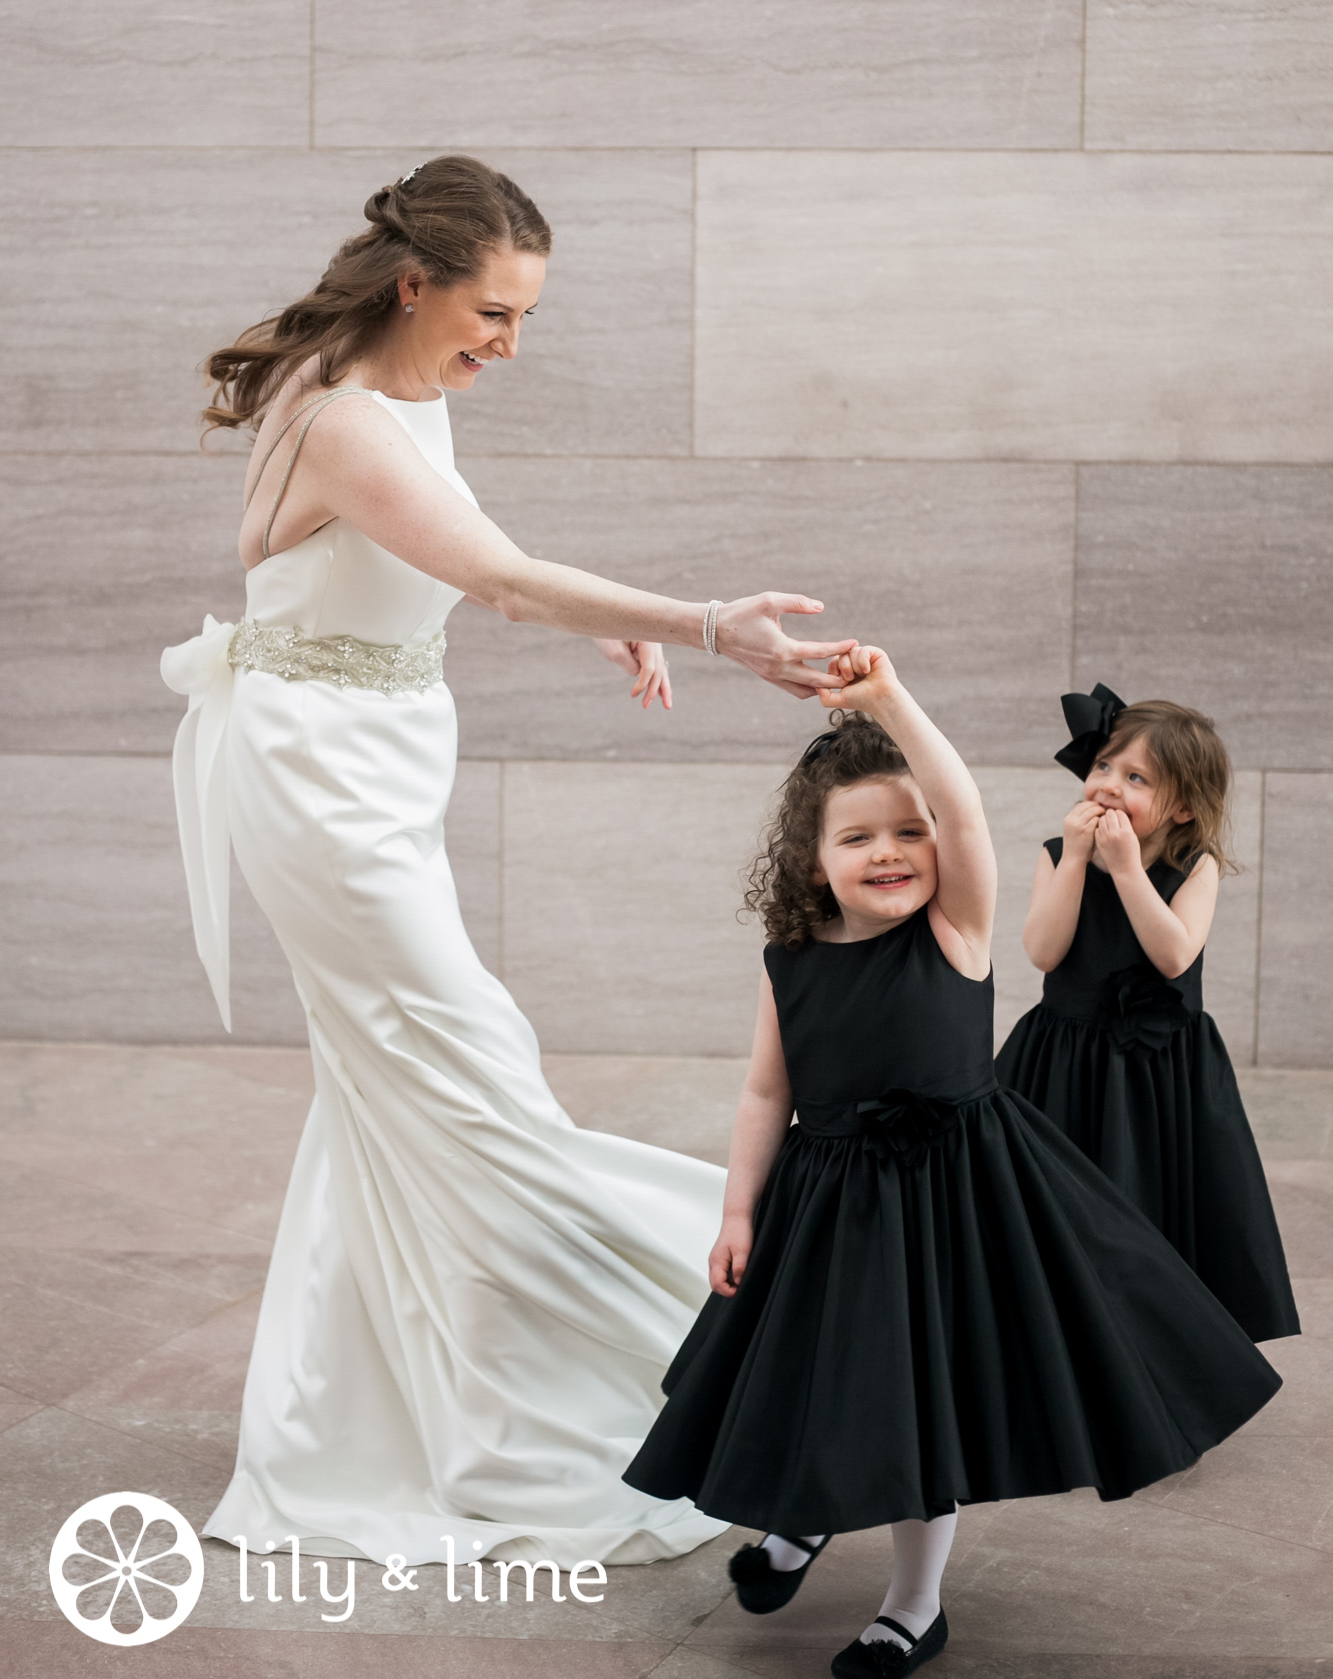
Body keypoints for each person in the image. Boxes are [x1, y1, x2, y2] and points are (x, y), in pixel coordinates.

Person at [160, 154, 857, 1569]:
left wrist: (591, 614)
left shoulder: (399, 390)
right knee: (475, 1072)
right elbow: (490, 577)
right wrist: (707, 619)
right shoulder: (348, 416)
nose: (510, 345)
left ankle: (370, 1409)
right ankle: (721, 1335)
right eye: (494, 312)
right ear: (414, 284)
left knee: (401, 1087)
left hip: (373, 756)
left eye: (524, 317)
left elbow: (463, 555)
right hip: (326, 786)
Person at [623, 647, 1282, 1678]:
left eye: (908, 831)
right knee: (821, 1374)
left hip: (949, 1198)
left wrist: (889, 700)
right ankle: (805, 1516)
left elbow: (965, 807)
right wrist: (739, 1210)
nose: (890, 851)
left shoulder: (956, 928)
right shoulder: (789, 959)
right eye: (857, 837)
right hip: (827, 1198)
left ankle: (913, 1601)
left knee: (913, 1398)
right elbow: (766, 1091)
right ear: (812, 860)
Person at [995, 685, 1299, 1344]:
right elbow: (1042, 951)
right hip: (1063, 1061)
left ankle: (1158, 1365)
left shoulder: (1196, 868)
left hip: (1159, 1076)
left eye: (1135, 778)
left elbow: (1173, 956)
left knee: (1146, 1214)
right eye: (1103, 766)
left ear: (1184, 807)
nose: (1107, 785)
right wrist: (1077, 860)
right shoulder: (1055, 854)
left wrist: (1129, 871)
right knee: (1058, 1213)